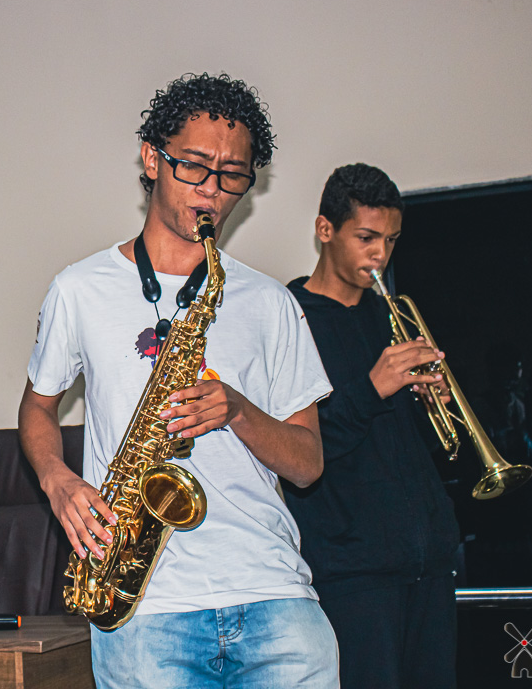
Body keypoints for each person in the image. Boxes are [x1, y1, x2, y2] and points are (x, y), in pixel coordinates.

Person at [18, 72, 339, 688]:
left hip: (274, 599)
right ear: (152, 159)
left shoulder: (271, 302)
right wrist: (57, 480)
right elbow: (38, 407)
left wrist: (238, 410)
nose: (212, 190)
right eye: (194, 166)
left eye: (232, 175)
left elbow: (308, 465)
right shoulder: (79, 290)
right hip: (144, 607)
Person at [285, 163, 460, 689]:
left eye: (391, 239)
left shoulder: (392, 317)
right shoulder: (289, 319)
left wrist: (436, 408)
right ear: (325, 230)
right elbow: (299, 451)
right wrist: (371, 388)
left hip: (429, 559)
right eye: (366, 237)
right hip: (352, 572)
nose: (380, 253)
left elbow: (412, 449)